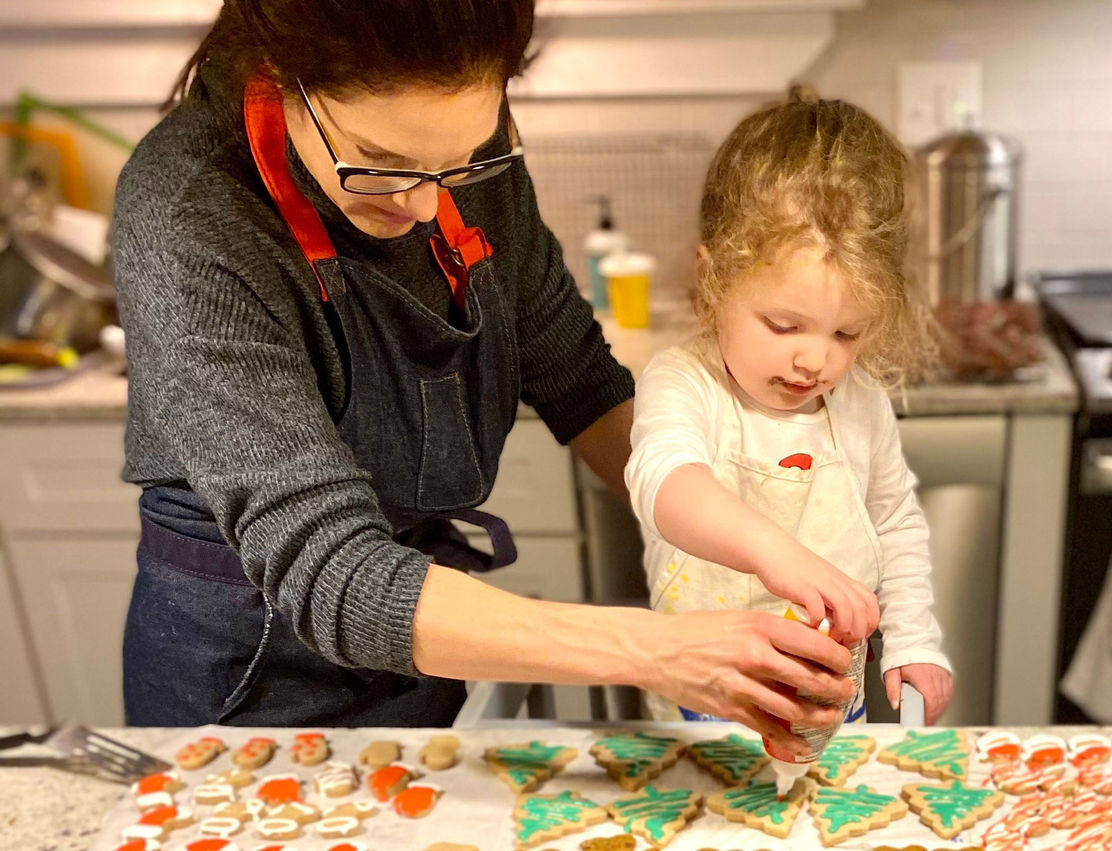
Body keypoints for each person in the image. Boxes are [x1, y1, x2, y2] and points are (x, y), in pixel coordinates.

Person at [111, 0, 856, 749]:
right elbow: (331, 570)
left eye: (460, 163)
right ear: (288, 76)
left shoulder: (458, 147)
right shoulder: (191, 210)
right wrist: (660, 651)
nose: (427, 202)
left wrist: (750, 541)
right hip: (254, 675)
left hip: (422, 637)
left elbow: (579, 378)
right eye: (382, 163)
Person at [625, 91, 955, 725]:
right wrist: (780, 556)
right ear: (711, 280)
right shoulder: (685, 383)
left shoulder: (857, 403)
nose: (815, 362)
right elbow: (666, 482)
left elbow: (895, 525)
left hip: (829, 698)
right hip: (703, 702)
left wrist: (912, 637)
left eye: (845, 335)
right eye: (783, 325)